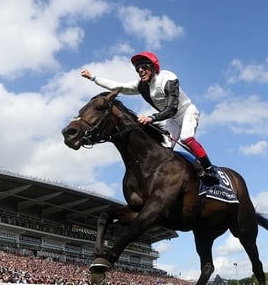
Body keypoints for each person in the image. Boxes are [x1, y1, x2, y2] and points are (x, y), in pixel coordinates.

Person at [81, 51, 218, 185]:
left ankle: (209, 169)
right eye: (137, 68)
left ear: (153, 67)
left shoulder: (167, 78)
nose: (140, 70)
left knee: (186, 138)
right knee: (166, 150)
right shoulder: (141, 86)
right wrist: (93, 78)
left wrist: (152, 117)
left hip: (187, 112)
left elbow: (172, 108)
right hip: (172, 119)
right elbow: (118, 86)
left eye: (144, 66)